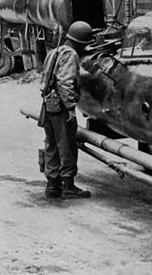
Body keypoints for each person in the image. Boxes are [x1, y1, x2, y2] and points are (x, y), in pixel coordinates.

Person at [41, 21, 94, 199]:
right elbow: (65, 82)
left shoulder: (54, 51)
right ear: (80, 42)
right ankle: (69, 185)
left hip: (48, 104)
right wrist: (71, 108)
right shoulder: (70, 55)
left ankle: (52, 186)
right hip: (61, 107)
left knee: (52, 145)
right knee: (67, 145)